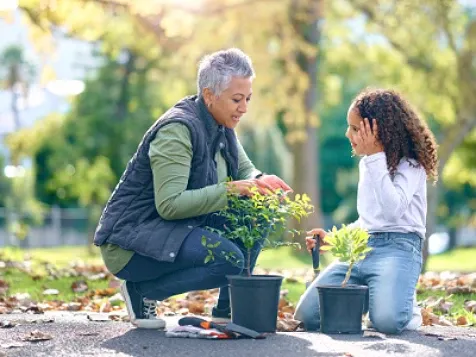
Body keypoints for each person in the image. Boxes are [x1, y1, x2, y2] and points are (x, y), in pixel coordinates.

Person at [94, 48, 292, 329]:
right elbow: (170, 205)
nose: (244, 108)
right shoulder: (177, 130)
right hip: (133, 241)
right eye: (237, 99)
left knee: (257, 210)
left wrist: (261, 180)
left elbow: (245, 170)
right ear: (210, 95)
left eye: (248, 99)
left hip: (178, 228)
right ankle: (141, 292)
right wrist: (233, 190)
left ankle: (227, 307)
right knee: (228, 260)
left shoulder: (222, 125)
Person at [294, 88, 438, 334]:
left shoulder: (411, 165)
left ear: (377, 130)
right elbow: (368, 220)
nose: (347, 133)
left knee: (387, 322)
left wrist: (375, 157)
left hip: (399, 249)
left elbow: (393, 212)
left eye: (354, 128)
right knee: (308, 315)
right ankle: (378, 293)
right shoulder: (368, 165)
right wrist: (333, 239)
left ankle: (404, 305)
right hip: (362, 249)